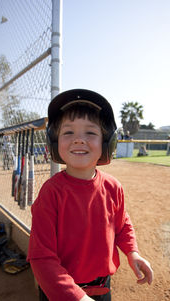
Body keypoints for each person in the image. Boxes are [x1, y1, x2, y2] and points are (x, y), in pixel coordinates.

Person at [27, 89, 153, 301]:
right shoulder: (51, 193)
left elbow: (122, 224)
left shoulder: (113, 187)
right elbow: (41, 257)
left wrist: (133, 252)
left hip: (102, 288)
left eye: (90, 133)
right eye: (68, 132)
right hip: (62, 292)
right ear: (55, 142)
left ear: (107, 143)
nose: (78, 140)